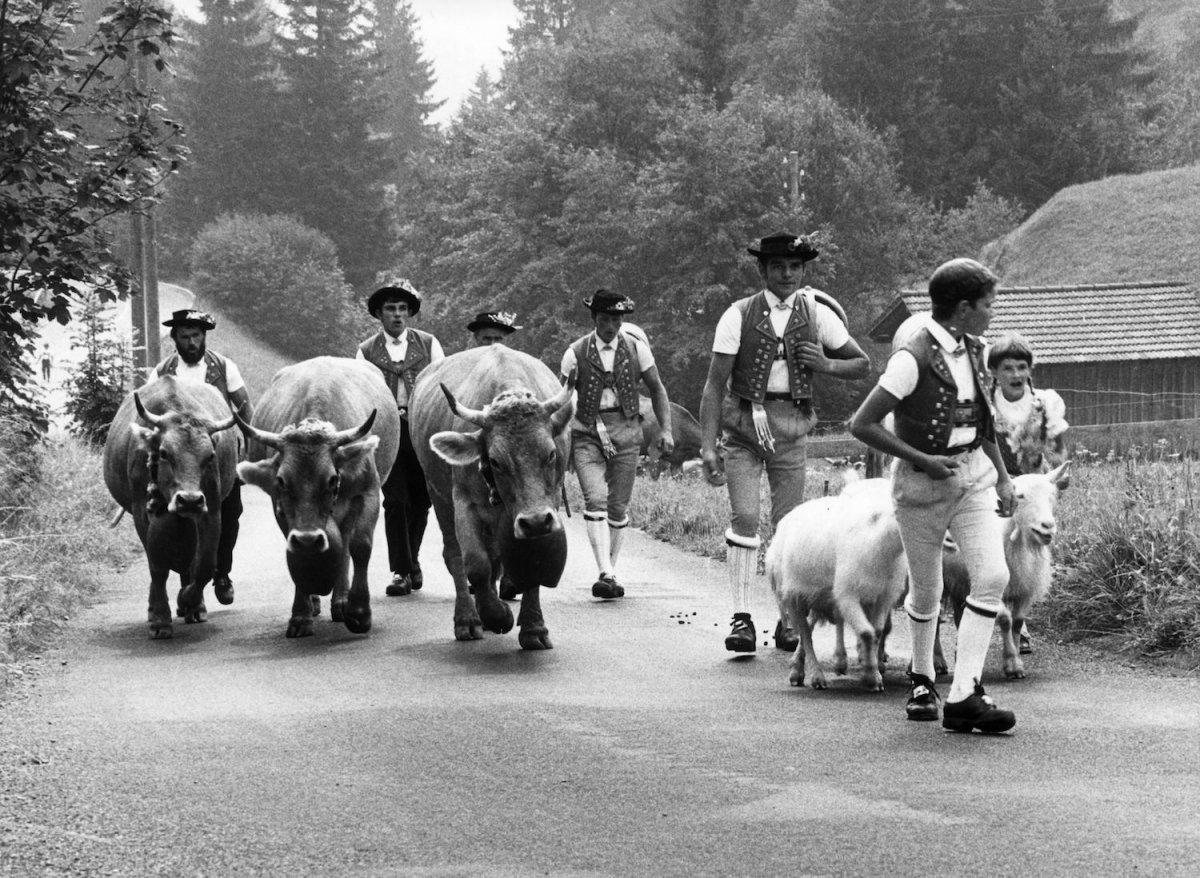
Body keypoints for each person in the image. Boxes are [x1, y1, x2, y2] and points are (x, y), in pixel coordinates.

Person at [849, 257, 1019, 735]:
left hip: (973, 478)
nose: (992, 312)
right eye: (987, 304)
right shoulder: (912, 357)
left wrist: (1004, 477)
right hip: (922, 485)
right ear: (963, 308)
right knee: (928, 589)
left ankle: (965, 693)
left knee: (992, 575)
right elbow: (860, 424)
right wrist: (923, 460)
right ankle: (922, 679)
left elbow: (982, 423)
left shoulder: (978, 349)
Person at [699, 232, 870, 653]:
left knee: (789, 524)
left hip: (791, 428)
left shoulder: (817, 315)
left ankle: (787, 619)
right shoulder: (737, 315)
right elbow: (713, 385)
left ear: (803, 270)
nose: (787, 274)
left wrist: (825, 363)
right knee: (744, 517)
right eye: (778, 266)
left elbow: (861, 364)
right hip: (743, 428)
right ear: (762, 270)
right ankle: (741, 618)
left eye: (794, 267)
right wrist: (707, 446)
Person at [560, 289, 674, 599]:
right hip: (586, 433)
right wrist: (558, 436)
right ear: (594, 318)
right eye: (605, 318)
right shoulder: (575, 352)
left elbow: (658, 389)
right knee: (595, 497)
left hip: (627, 432)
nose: (611, 325)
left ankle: (610, 571)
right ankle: (605, 572)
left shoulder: (638, 349)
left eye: (616, 319)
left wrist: (666, 429)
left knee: (618, 506)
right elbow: (563, 398)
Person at [149, 308, 253, 606]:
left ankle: (222, 573)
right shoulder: (161, 371)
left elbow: (243, 405)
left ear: (204, 336)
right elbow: (151, 412)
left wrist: (248, 441)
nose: (192, 342)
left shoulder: (223, 366)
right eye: (185, 337)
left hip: (217, 455)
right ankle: (188, 580)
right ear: (175, 338)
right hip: (180, 460)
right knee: (178, 518)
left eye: (197, 335)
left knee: (230, 514)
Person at [357, 278, 444, 596]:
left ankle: (413, 561)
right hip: (387, 430)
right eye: (391, 308)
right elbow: (362, 393)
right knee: (395, 500)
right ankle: (400, 571)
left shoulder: (429, 344)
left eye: (403, 308)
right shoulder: (365, 351)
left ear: (410, 313)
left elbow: (438, 384)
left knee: (421, 501)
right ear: (379, 314)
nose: (397, 314)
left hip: (421, 427)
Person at [988, 332, 1068, 655]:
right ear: (994, 372)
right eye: (1008, 368)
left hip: (1032, 490)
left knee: (1032, 552)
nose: (1016, 375)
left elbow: (1058, 448)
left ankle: (1020, 619)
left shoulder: (1043, 404)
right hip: (992, 487)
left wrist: (1060, 471)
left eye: (1022, 367)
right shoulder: (985, 404)